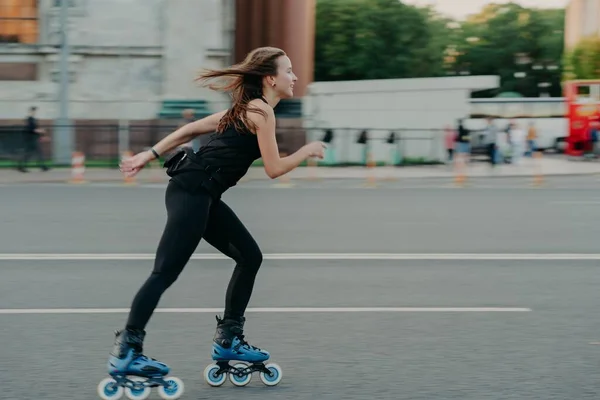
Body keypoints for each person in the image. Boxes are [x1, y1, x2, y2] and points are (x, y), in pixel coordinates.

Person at [103, 47, 326, 391]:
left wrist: (147, 155)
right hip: (192, 193)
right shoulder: (261, 112)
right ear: (270, 79)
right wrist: (306, 151)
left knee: (250, 257)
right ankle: (128, 351)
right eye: (289, 71)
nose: (294, 77)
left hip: (199, 194)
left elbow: (190, 129)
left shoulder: (245, 110)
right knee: (164, 272)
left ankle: (229, 339)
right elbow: (274, 168)